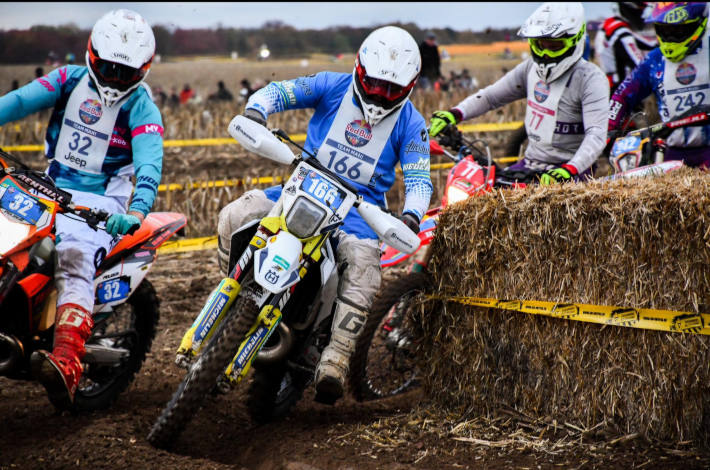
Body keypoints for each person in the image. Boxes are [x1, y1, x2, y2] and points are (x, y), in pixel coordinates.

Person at [199, 25, 432, 403]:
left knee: (364, 267)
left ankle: (336, 357)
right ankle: (234, 298)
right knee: (235, 215)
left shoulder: (412, 123)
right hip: (301, 188)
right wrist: (257, 110)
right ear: (359, 69)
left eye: (391, 90)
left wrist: (411, 216)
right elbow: (279, 91)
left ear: (409, 86)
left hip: (359, 211)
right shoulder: (330, 84)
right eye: (373, 84)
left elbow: (420, 180)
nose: (379, 95)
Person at [0, 9, 164, 409]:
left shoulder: (143, 108)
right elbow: (17, 102)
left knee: (74, 255)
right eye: (108, 68)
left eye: (125, 73)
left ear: (143, 70)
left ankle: (67, 360)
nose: (114, 79)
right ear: (92, 54)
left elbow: (149, 163)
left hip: (104, 202)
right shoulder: (67, 79)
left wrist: (137, 211)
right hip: (49, 183)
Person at [429, 2, 609, 185]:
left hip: (570, 172)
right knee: (481, 188)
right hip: (530, 165)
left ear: (575, 40)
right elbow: (491, 97)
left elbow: (596, 135)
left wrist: (570, 169)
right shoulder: (530, 68)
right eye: (540, 45)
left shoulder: (591, 79)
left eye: (554, 46)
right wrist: (455, 113)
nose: (545, 53)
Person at [608, 2, 710, 169]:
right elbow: (622, 95)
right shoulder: (654, 59)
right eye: (664, 30)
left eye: (678, 31)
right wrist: (608, 129)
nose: (670, 37)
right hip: (671, 151)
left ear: (698, 23)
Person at [596, 2, 658, 94]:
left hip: (609, 83)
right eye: (640, 9)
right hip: (619, 88)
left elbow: (648, 43)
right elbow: (640, 64)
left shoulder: (610, 24)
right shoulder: (620, 31)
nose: (642, 15)